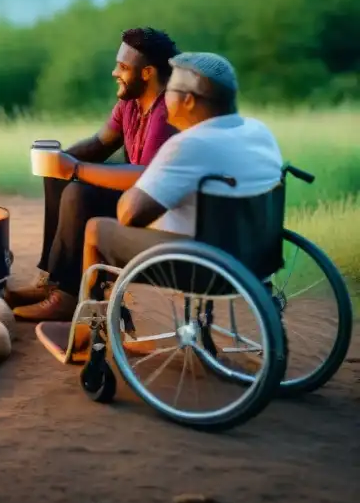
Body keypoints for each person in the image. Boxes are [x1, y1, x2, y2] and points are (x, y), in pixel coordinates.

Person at [40, 52, 284, 320]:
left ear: (188, 100)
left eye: (170, 90)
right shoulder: (258, 131)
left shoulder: (188, 144)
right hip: (253, 258)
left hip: (200, 263)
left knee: (97, 229)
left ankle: (90, 327)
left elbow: (130, 214)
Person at [11, 27, 181, 320]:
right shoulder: (129, 104)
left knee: (79, 193)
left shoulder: (164, 111)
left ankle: (67, 295)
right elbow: (101, 143)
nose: (115, 72)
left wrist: (76, 169)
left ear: (147, 73)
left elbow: (146, 176)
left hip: (152, 208)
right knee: (59, 176)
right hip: (133, 196)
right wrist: (60, 161)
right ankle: (52, 279)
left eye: (123, 67)